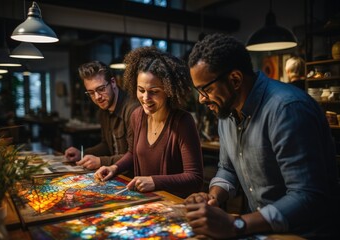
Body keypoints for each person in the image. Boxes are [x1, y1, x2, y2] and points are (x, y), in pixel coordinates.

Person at [184, 33, 340, 239]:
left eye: (206, 90)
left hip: (306, 233)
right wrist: (212, 197)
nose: (202, 100)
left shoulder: (287, 109)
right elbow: (227, 169)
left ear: (235, 79)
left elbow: (307, 195)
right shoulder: (225, 112)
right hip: (260, 230)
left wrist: (236, 224)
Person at [94, 46, 204, 198]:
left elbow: (195, 178)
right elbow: (133, 154)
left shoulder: (183, 122)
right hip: (145, 203)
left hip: (174, 205)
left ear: (169, 90)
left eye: (154, 92)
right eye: (141, 90)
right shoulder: (137, 116)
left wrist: (154, 181)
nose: (145, 98)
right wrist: (115, 167)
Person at [64, 61, 138, 170]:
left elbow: (136, 156)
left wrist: (101, 162)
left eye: (101, 89)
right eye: (91, 92)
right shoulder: (103, 110)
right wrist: (82, 154)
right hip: (116, 174)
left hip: (132, 178)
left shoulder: (133, 110)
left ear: (113, 82)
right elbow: (107, 145)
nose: (97, 97)